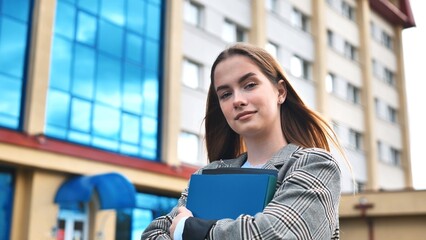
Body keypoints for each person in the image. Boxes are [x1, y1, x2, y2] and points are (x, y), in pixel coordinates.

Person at [141, 43, 344, 240]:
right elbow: (152, 234)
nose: (237, 100)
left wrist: (187, 229)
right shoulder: (208, 174)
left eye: (250, 85)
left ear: (280, 92)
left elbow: (276, 234)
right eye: (226, 94)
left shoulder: (315, 165)